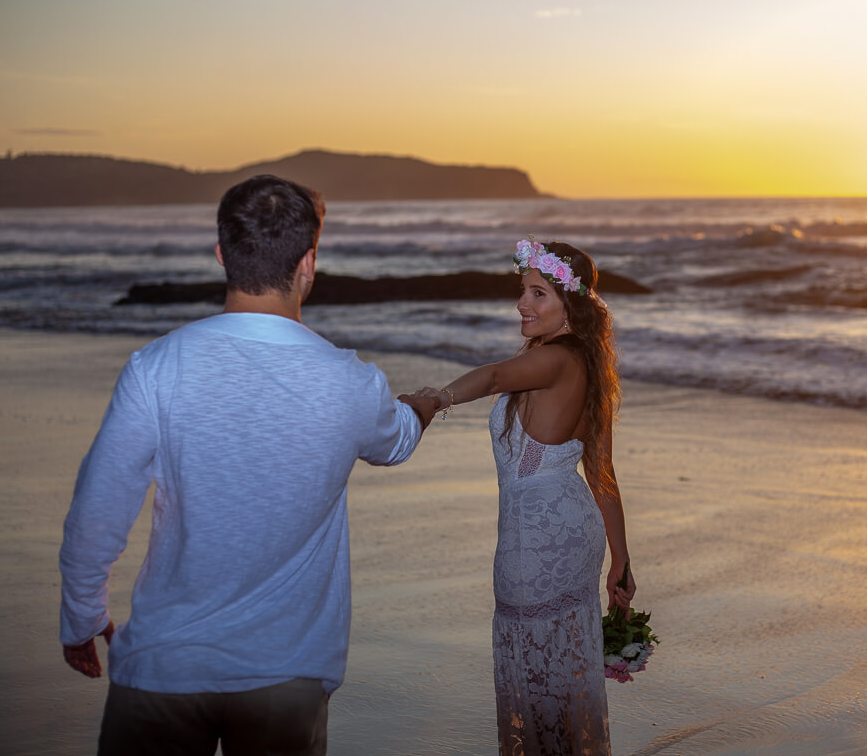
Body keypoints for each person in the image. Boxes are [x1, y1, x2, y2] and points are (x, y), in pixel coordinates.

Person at [59, 174, 439, 755]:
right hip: (286, 675)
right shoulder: (350, 381)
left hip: (165, 667)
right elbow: (398, 440)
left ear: (221, 255)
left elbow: (97, 510)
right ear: (309, 262)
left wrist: (83, 617)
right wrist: (424, 403)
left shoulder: (155, 368)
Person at [416, 239, 635, 755]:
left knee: (538, 680)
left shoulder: (558, 359)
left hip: (539, 541)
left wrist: (435, 400)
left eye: (538, 293)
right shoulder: (584, 362)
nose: (523, 304)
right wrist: (621, 562)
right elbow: (602, 475)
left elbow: (493, 376)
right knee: (556, 679)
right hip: (563, 531)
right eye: (523, 291)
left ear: (569, 304)